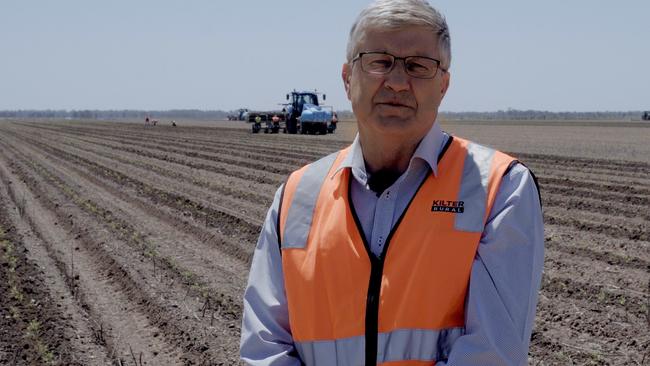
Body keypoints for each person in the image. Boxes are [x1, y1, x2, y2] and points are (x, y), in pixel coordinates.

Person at [240, 0, 544, 364]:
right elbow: (265, 347)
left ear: (443, 85)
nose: (398, 82)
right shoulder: (296, 195)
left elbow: (491, 354)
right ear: (347, 78)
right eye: (379, 61)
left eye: (418, 66)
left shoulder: (500, 188)